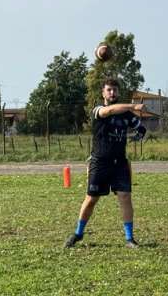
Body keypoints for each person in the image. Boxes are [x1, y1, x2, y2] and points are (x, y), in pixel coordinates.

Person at [64, 78, 147, 248]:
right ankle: (78, 233)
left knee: (125, 197)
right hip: (100, 162)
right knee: (92, 199)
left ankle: (129, 239)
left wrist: (139, 133)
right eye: (109, 90)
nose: (112, 93)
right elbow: (109, 112)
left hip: (120, 163)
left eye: (115, 90)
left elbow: (141, 128)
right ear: (103, 93)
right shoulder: (98, 110)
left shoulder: (126, 115)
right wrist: (132, 106)